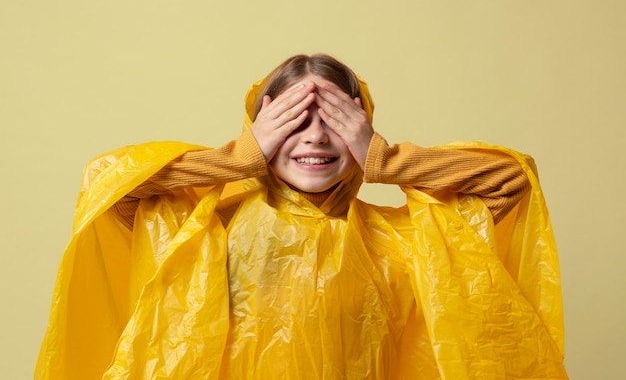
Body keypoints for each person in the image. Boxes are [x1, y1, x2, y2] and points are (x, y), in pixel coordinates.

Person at [35, 54, 569, 379]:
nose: (314, 136)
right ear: (260, 126)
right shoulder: (208, 230)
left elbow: (510, 182)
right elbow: (114, 189)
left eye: (334, 120)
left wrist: (384, 158)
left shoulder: (400, 239)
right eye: (293, 121)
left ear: (363, 127)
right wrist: (238, 158)